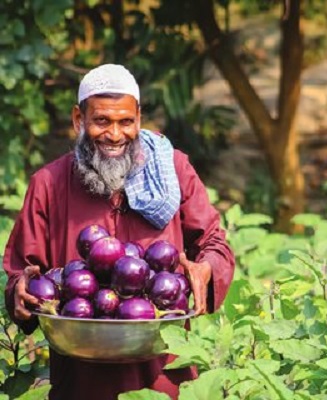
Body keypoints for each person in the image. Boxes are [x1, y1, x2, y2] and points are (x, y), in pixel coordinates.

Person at [2, 64, 235, 400]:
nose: (114, 135)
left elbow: (214, 243)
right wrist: (19, 294)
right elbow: (20, 274)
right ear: (79, 120)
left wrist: (206, 268)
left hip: (164, 372)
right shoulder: (49, 185)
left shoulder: (173, 171)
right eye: (102, 121)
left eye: (125, 122)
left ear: (138, 119)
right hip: (81, 378)